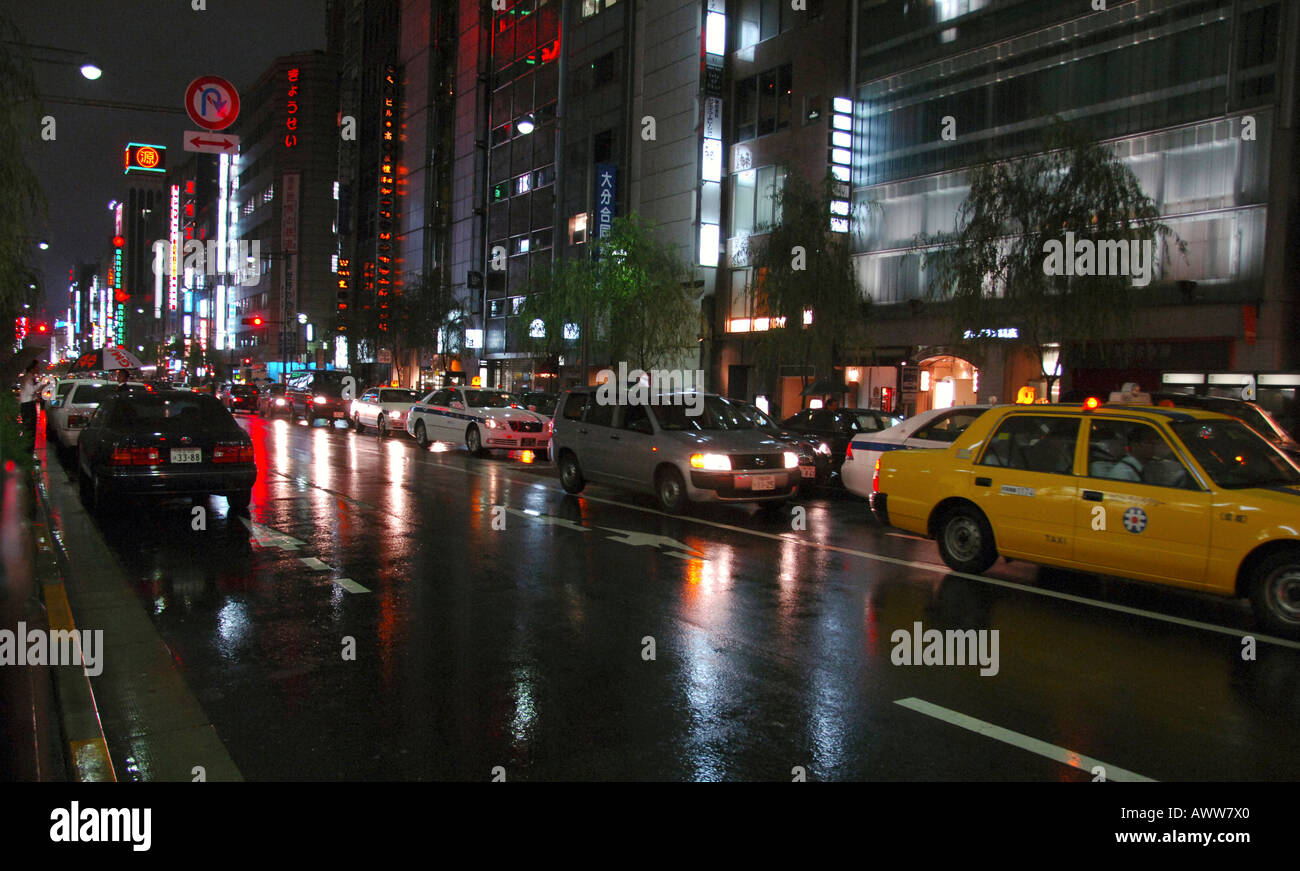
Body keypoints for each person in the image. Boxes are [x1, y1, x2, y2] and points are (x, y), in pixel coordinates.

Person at [19, 361, 39, 455]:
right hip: (28, 406)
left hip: (27, 405)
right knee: (30, 429)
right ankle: (28, 452)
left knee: (30, 429)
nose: (38, 368)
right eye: (36, 367)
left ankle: (29, 451)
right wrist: (41, 384)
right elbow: (31, 391)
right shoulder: (28, 378)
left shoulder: (29, 378)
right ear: (32, 368)